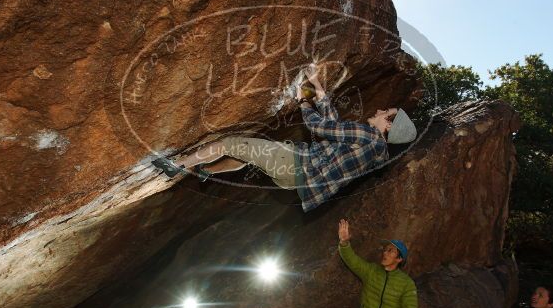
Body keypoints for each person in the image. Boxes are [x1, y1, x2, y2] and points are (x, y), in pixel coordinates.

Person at [152, 64, 418, 211]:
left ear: (388, 128)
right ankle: (207, 170)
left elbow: (319, 127)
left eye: (387, 114)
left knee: (229, 143)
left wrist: (303, 100)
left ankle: (176, 167)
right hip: (294, 183)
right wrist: (317, 86)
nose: (381, 110)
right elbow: (333, 125)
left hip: (294, 163)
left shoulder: (369, 135)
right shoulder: (373, 151)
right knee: (247, 157)